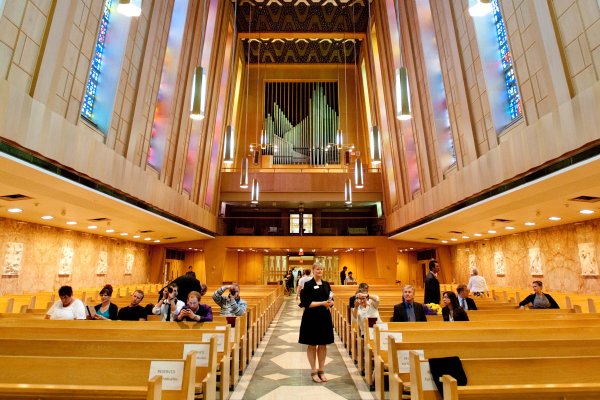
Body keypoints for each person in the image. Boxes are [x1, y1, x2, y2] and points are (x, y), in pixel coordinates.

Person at [299, 261, 334, 383]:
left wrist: (331, 303)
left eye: (321, 269)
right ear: (313, 270)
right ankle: (313, 370)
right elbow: (306, 303)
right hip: (311, 317)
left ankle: (321, 370)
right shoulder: (308, 285)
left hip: (324, 317)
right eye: (317, 269)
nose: (319, 271)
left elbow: (330, 298)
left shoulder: (326, 284)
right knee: (312, 344)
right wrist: (322, 303)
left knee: (323, 344)